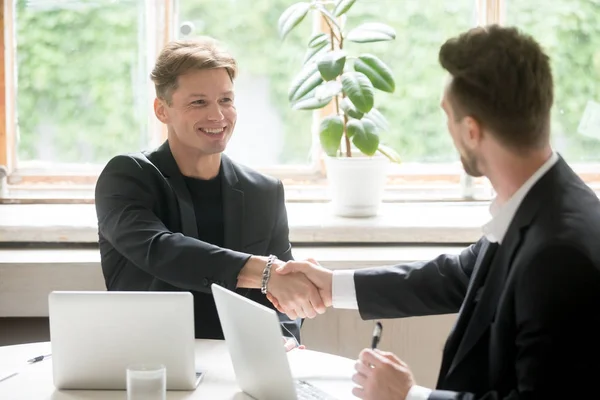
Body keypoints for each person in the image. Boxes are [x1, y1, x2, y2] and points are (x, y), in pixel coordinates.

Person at [269, 25, 600, 399]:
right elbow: (458, 276)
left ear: (472, 131)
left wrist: (409, 396)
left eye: (448, 115)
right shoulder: (539, 198)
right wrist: (332, 286)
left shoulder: (559, 254)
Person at [94, 36, 326, 343]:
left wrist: (285, 339)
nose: (217, 115)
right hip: (147, 364)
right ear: (162, 110)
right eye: (199, 102)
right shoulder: (127, 177)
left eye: (226, 100)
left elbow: (280, 308)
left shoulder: (264, 192)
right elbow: (162, 250)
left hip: (237, 371)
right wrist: (265, 272)